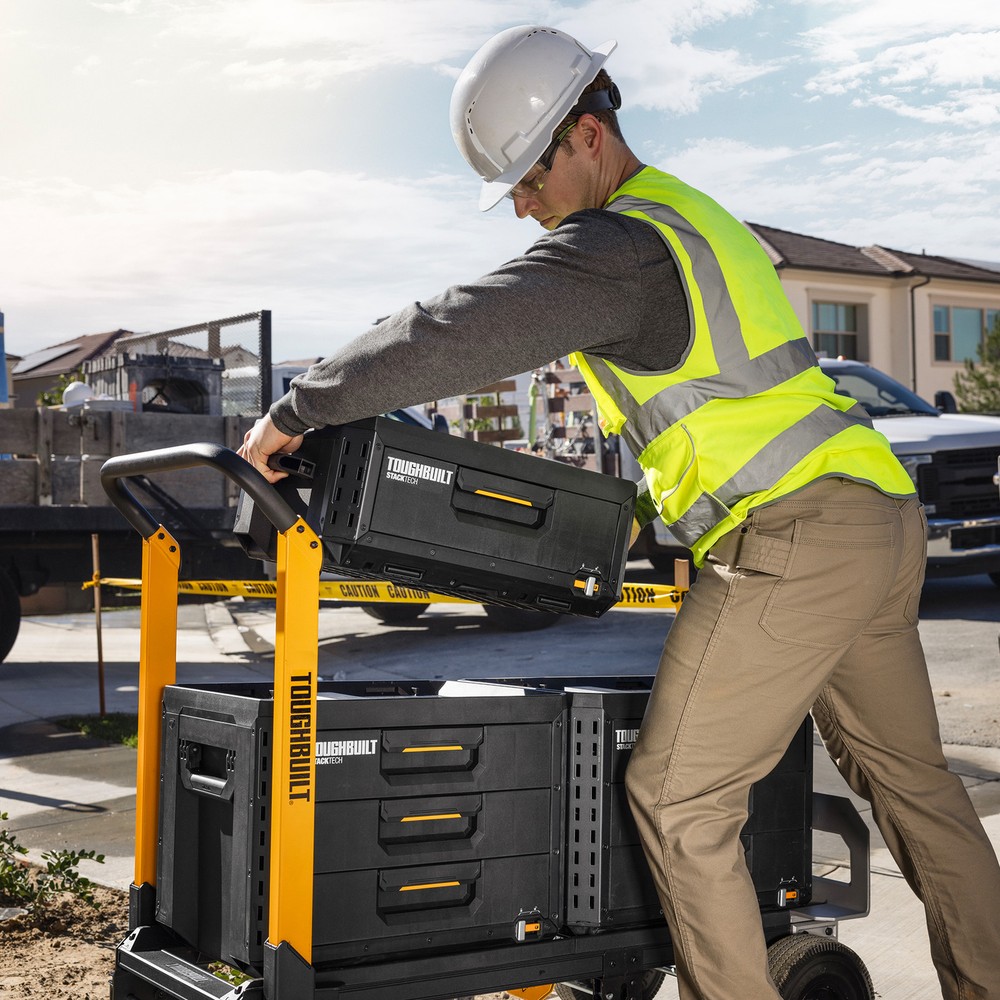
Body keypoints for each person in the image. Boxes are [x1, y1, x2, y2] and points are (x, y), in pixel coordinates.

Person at [238, 25, 1000, 999]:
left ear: (587, 136)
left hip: (797, 531)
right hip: (874, 518)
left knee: (679, 797)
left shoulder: (615, 248)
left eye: (526, 177)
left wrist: (300, 409)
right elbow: (715, 398)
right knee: (918, 791)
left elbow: (455, 328)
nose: (520, 206)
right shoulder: (693, 218)